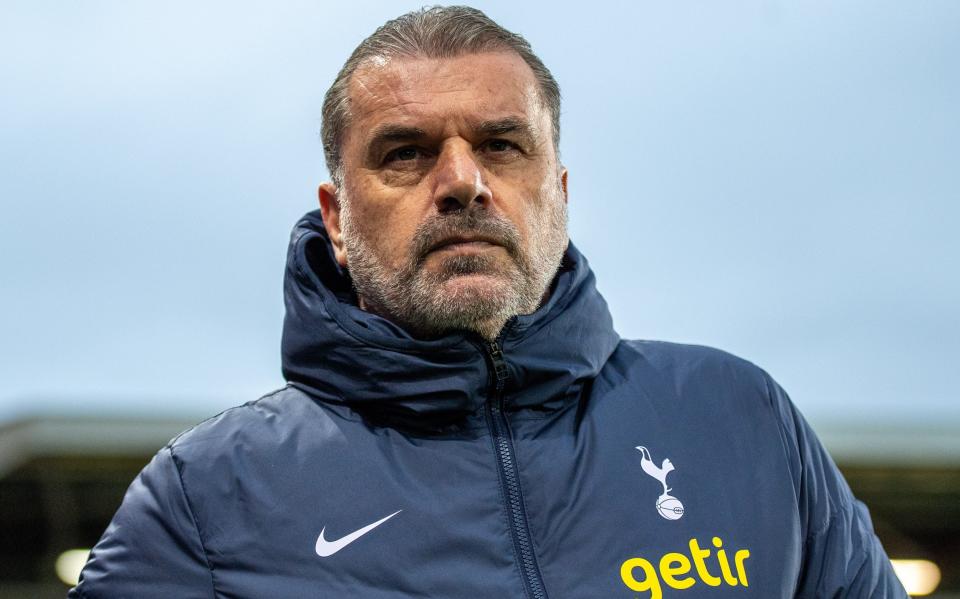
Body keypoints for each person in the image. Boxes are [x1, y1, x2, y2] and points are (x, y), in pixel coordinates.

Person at [70, 6, 907, 598]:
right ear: (335, 216)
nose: (463, 182)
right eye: (405, 152)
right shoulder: (210, 494)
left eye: (502, 146)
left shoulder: (741, 420)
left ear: (561, 191)